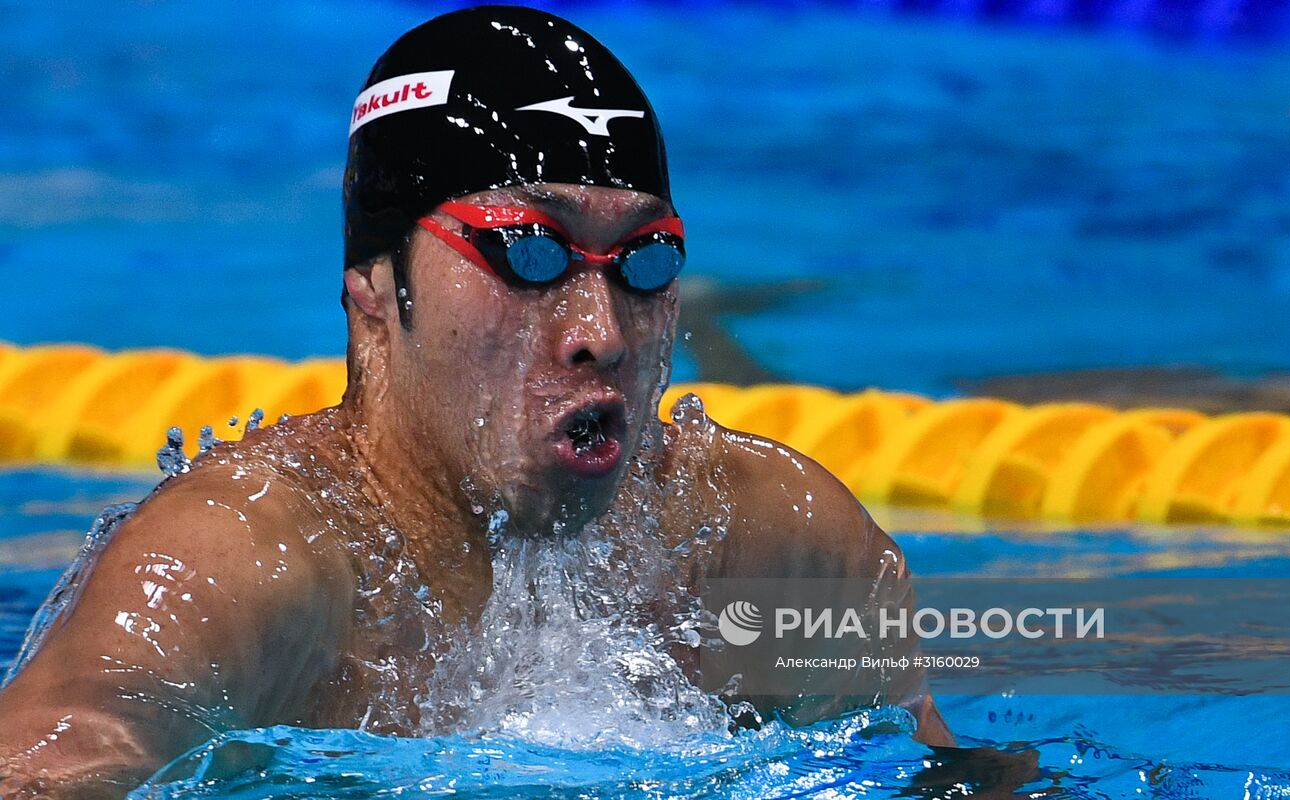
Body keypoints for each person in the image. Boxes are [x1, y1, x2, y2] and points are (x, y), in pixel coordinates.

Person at [0, 6, 952, 796]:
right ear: (374, 286)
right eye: (527, 252)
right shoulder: (233, 574)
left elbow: (938, 773)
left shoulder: (772, 542)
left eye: (644, 262)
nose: (603, 331)